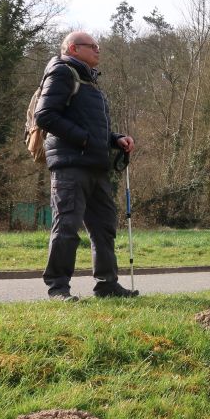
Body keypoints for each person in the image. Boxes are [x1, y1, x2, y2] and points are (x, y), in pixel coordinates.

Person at [36, 31, 137, 300]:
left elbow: (91, 126)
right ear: (73, 48)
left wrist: (115, 139)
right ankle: (58, 288)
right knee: (66, 227)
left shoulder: (90, 81)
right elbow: (44, 115)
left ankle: (107, 285)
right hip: (70, 165)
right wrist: (83, 139)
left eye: (97, 46)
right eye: (92, 46)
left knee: (104, 227)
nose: (98, 49)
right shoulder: (62, 72)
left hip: (96, 165)